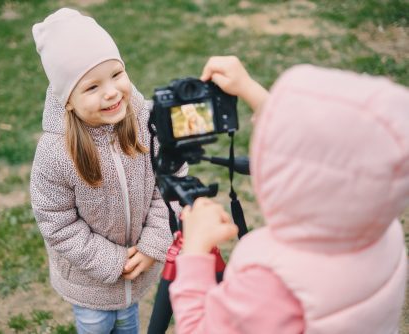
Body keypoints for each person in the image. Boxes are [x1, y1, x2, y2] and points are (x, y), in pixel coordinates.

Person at [169, 56, 409, 333]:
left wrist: (195, 252)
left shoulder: (272, 282)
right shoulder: (382, 230)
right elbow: (325, 146)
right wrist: (248, 88)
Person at [30, 8, 185, 333]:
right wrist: (114, 261)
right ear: (67, 100)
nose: (112, 91)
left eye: (116, 74)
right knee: (97, 327)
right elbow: (55, 220)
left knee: (128, 323)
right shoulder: (56, 152)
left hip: (138, 270)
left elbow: (170, 183)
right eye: (92, 87)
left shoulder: (148, 124)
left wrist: (151, 244)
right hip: (91, 283)